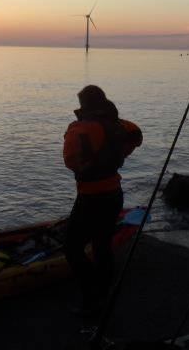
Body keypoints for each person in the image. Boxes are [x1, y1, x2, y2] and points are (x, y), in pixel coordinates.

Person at [62, 85, 142, 315]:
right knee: (102, 245)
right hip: (114, 194)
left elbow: (70, 161)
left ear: (84, 104)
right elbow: (137, 135)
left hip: (90, 197)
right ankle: (103, 294)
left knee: (72, 247)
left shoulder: (80, 129)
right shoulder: (120, 125)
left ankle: (91, 296)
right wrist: (122, 152)